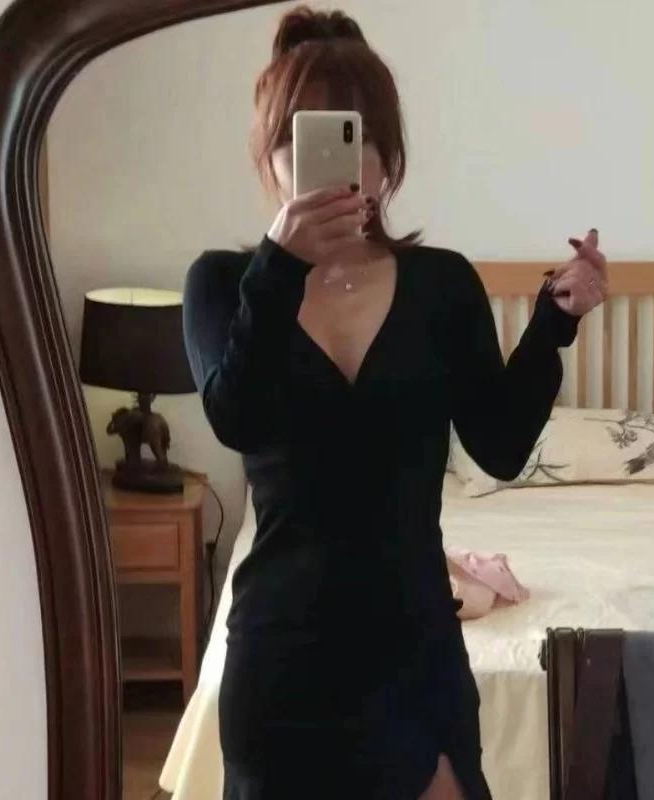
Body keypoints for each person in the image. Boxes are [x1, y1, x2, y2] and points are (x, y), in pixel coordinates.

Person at [182, 6, 608, 799]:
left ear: (388, 156)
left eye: (356, 137)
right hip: (280, 661)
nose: (334, 164)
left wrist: (553, 326)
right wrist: (280, 268)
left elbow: (500, 447)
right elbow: (235, 418)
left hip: (414, 655)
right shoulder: (223, 284)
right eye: (298, 137)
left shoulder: (442, 284)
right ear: (269, 155)